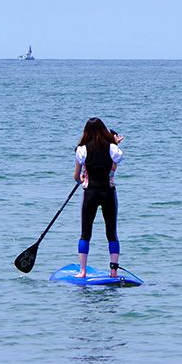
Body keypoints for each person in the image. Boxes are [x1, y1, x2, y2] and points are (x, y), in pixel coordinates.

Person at [73, 118, 125, 278]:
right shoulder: (113, 149)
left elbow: (76, 177)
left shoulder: (82, 150)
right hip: (108, 192)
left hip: (90, 194)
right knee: (111, 232)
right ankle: (113, 271)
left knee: (85, 232)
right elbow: (112, 169)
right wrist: (115, 144)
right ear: (103, 131)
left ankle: (82, 272)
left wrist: (83, 177)